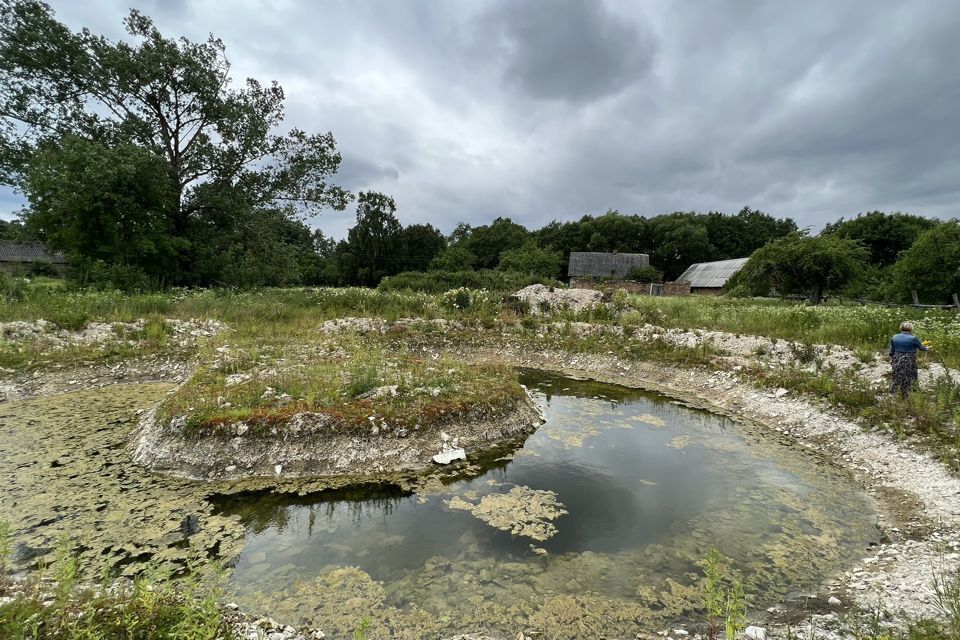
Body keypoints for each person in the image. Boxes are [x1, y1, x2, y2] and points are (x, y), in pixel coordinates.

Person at [889, 321, 929, 396]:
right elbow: (922, 348)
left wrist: (893, 359)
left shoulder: (894, 337)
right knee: (910, 375)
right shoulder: (913, 338)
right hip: (909, 359)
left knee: (897, 375)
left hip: (897, 358)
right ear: (911, 329)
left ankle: (892, 392)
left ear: (901, 328)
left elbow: (891, 351)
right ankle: (909, 392)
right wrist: (927, 348)